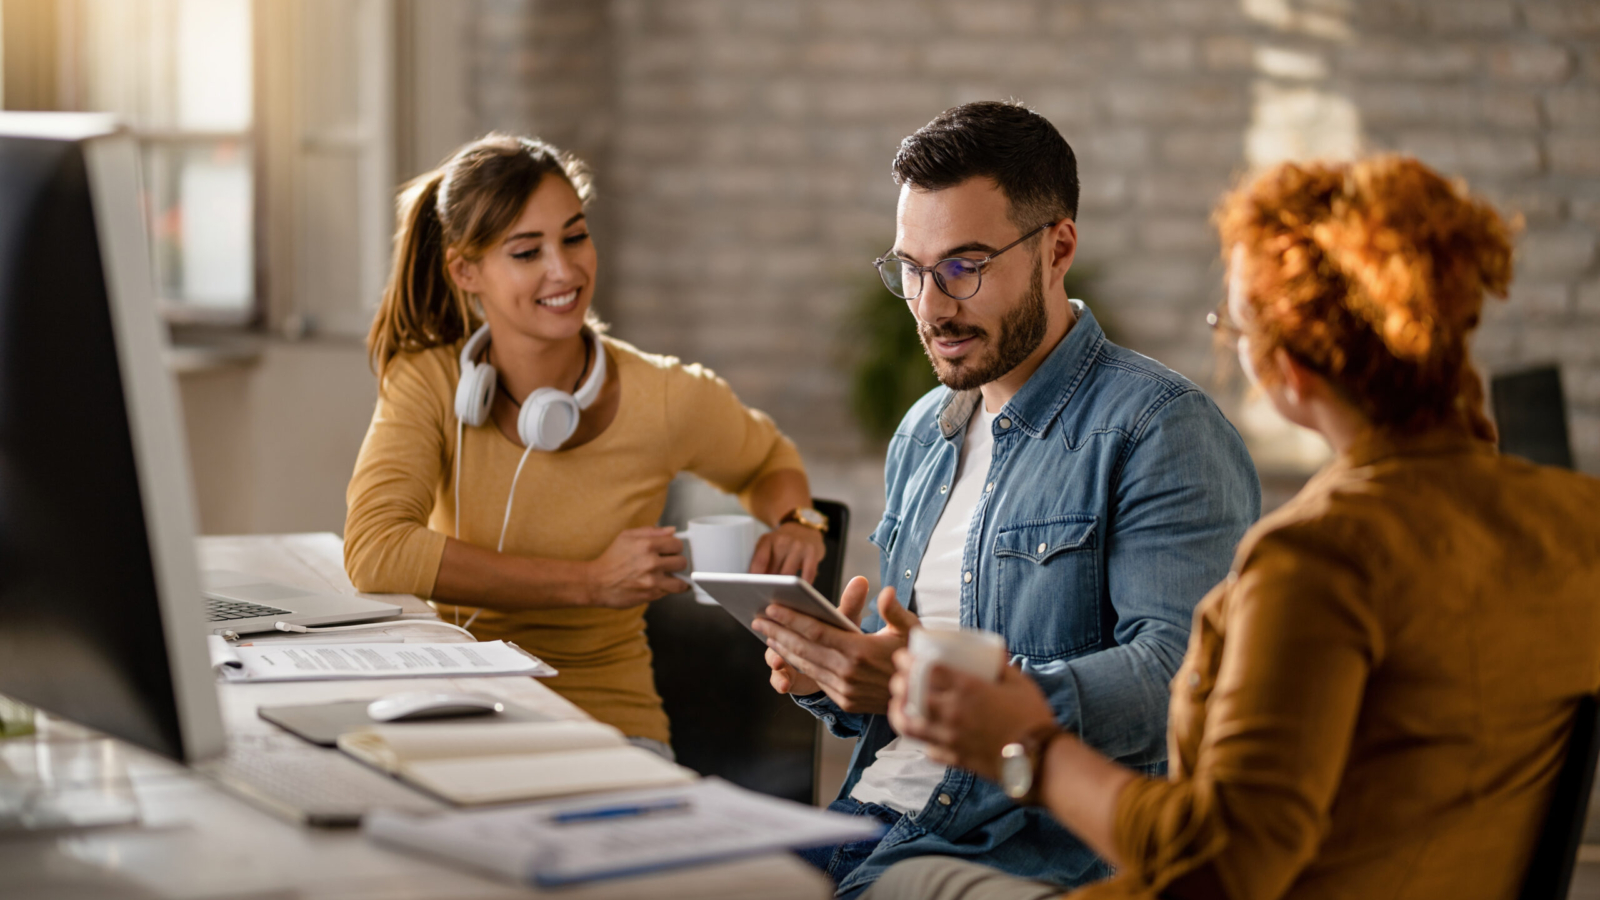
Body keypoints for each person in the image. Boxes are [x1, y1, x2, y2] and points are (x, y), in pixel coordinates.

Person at [868, 155, 1600, 900]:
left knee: (896, 881)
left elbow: (1221, 862)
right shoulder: (1577, 520)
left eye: (1234, 324)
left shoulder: (1318, 560)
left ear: (1289, 368)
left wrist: (1028, 743)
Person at [751, 101, 1260, 898]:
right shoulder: (925, 431)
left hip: (1014, 848)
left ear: (1058, 248)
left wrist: (942, 689)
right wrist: (837, 677)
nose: (931, 305)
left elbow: (1182, 679)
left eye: (965, 265)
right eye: (912, 271)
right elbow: (903, 676)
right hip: (865, 819)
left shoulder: (1159, 429)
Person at [344, 134, 827, 756]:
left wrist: (799, 520)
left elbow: (768, 459)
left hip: (609, 723)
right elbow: (377, 550)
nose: (564, 271)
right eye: (526, 251)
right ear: (466, 270)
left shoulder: (667, 396)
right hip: (459, 708)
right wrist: (587, 582)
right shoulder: (431, 381)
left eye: (574, 237)